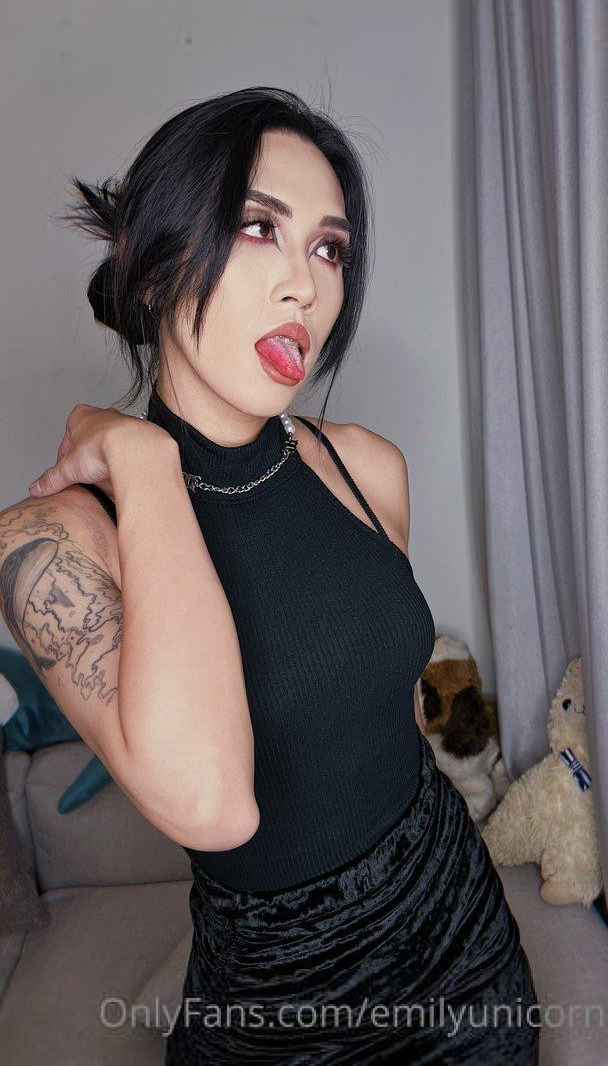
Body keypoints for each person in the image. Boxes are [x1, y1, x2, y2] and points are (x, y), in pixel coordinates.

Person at [0, 87, 540, 1063]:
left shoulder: (363, 467)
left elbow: (376, 706)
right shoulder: (53, 544)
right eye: (260, 228)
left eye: (330, 249)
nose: (307, 287)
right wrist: (146, 462)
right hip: (276, 1010)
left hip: (462, 940)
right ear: (155, 266)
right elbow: (215, 806)